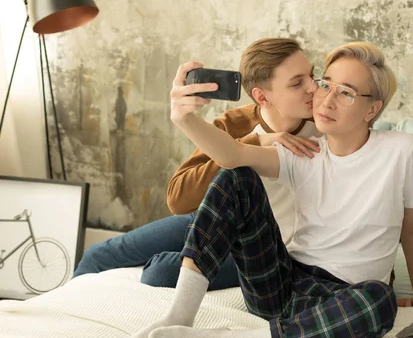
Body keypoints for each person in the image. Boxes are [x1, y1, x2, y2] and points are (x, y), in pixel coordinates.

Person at [106, 41, 413, 338]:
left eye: (345, 92)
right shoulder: (302, 151)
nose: (325, 99)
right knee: (237, 177)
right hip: (279, 285)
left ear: (372, 109)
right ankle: (178, 319)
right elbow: (231, 155)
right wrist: (184, 118)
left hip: (343, 297)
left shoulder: (402, 150)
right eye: (325, 84)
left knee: (380, 300)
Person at [73, 38, 322, 289]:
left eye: (312, 75)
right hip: (217, 222)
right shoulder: (233, 124)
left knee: (159, 271)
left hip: (262, 247)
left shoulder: (326, 123)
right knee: (97, 254)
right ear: (262, 97)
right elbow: (178, 198)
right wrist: (254, 142)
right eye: (297, 83)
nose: (313, 87)